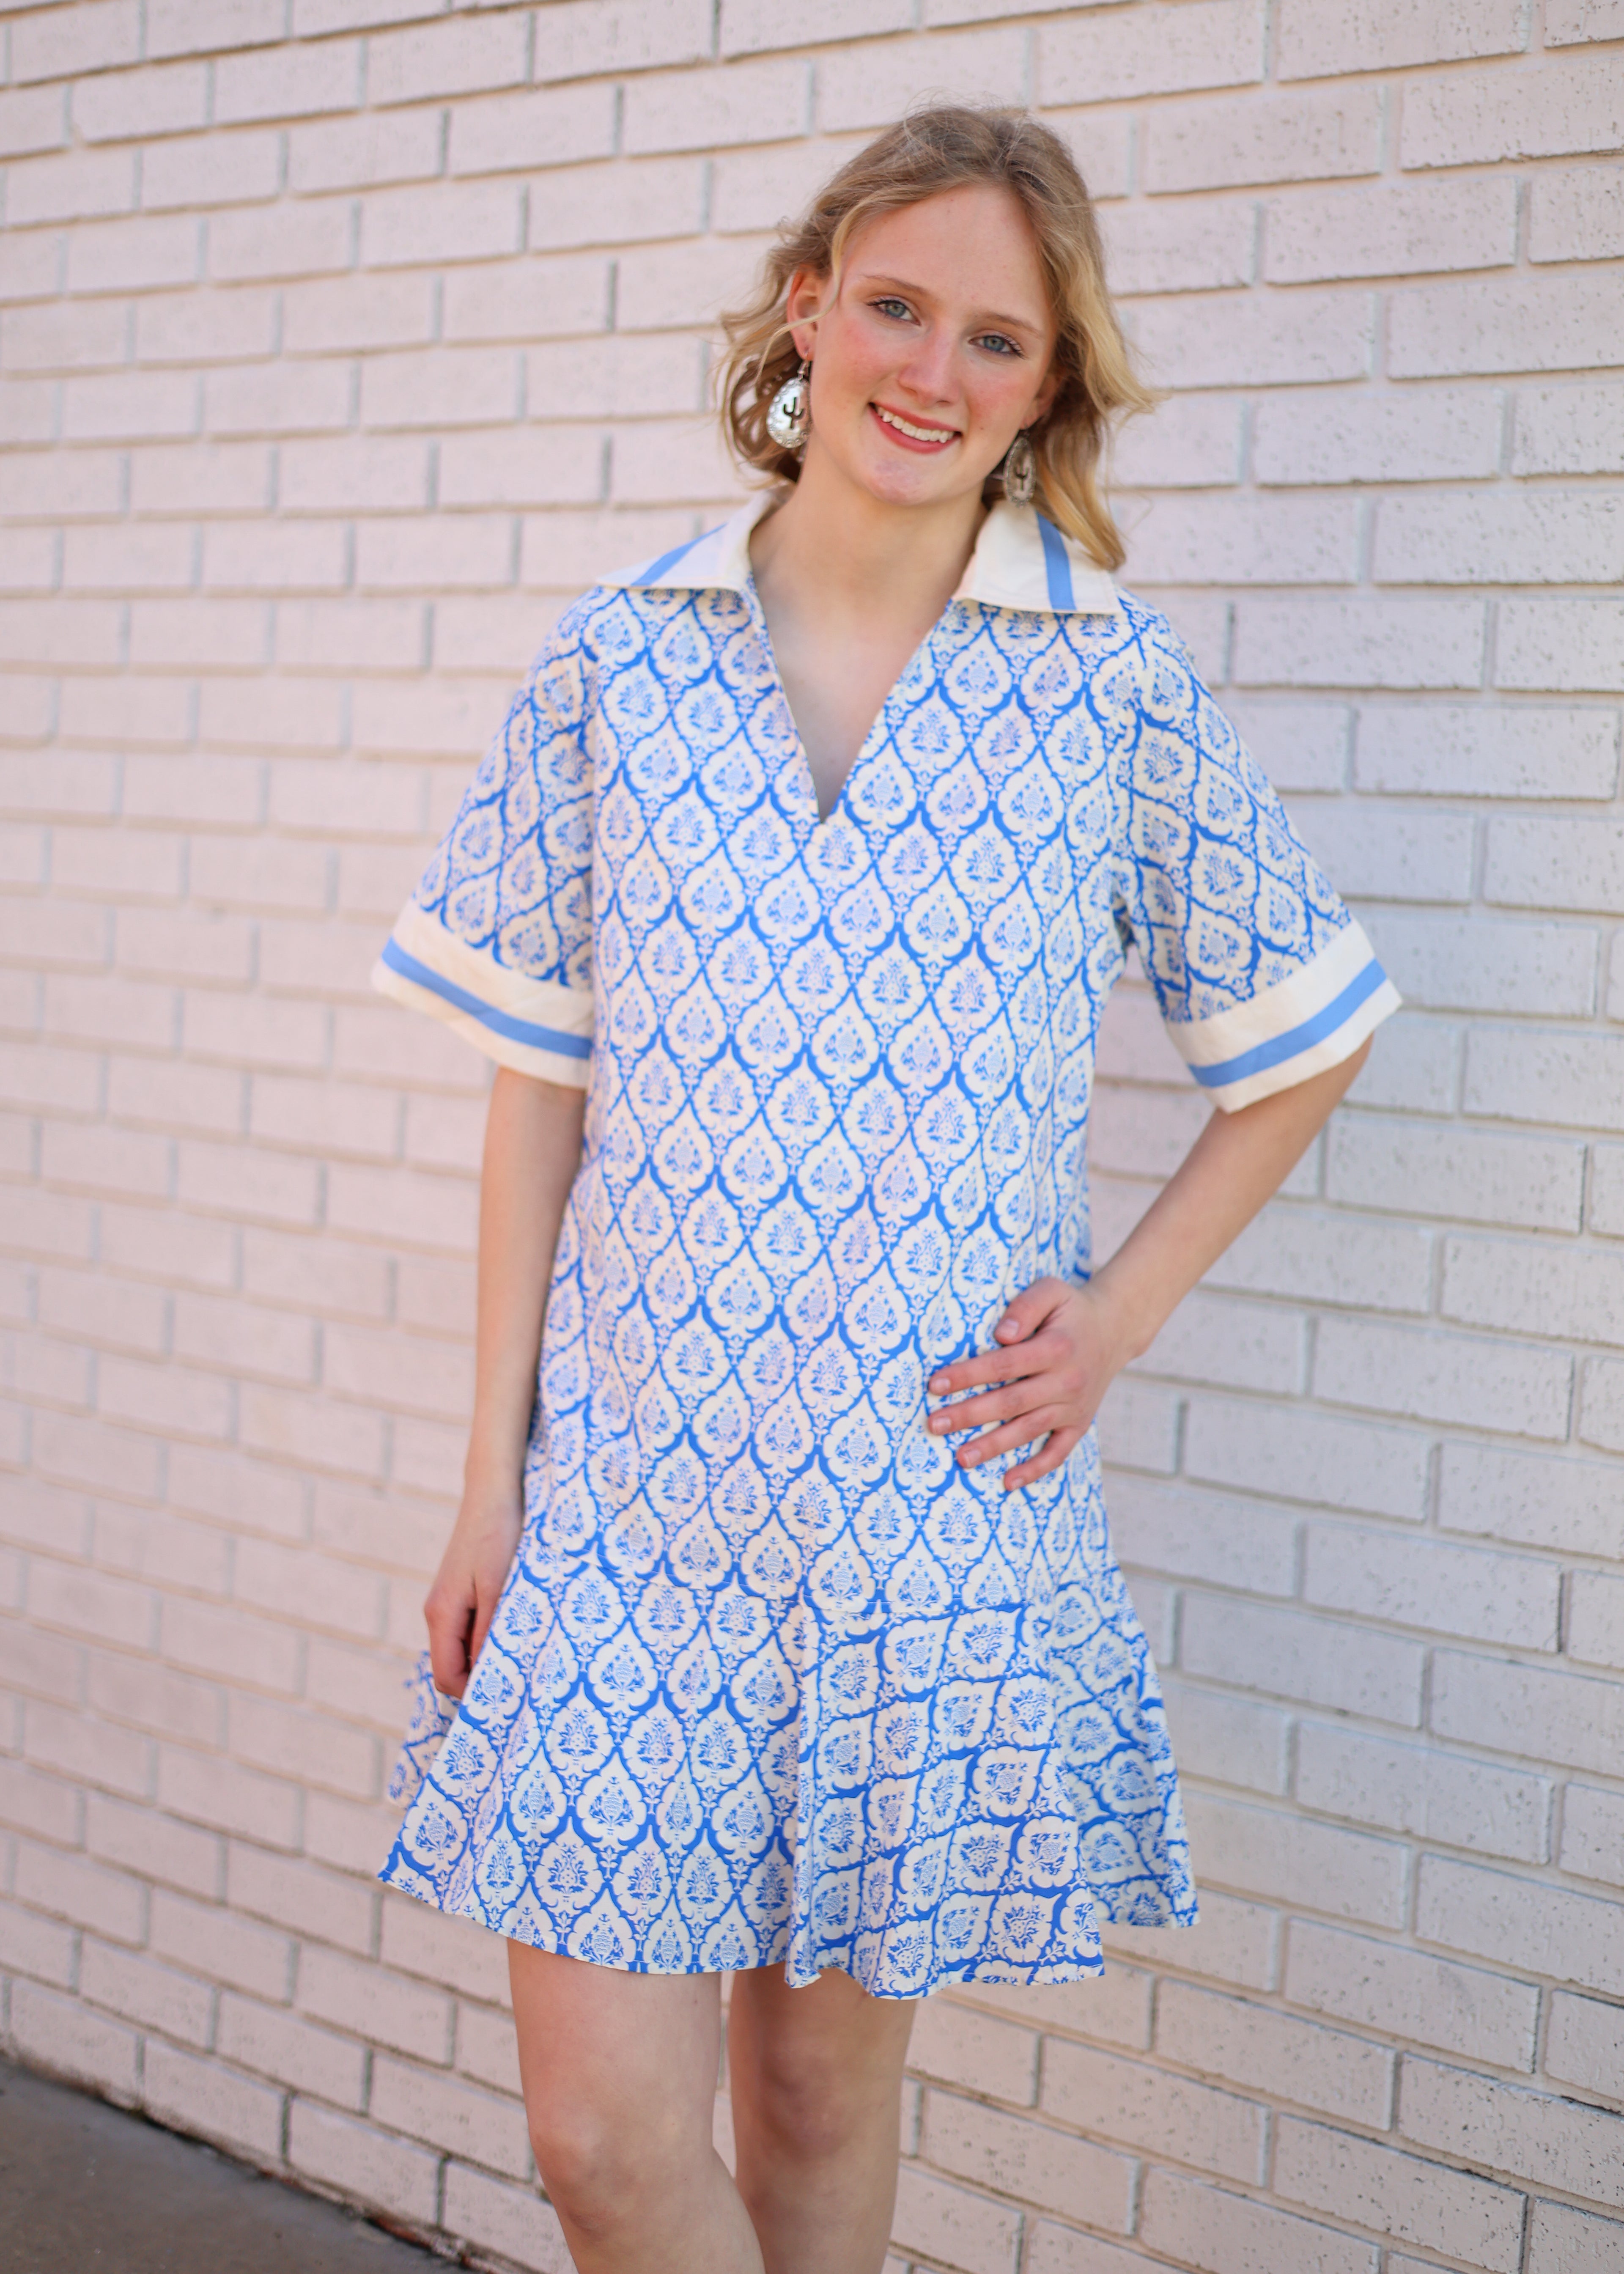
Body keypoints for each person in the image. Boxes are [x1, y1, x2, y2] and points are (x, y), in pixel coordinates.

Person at [371, 105, 1398, 2274]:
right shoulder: (618, 661)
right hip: (630, 1508)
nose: (932, 370)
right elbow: (535, 1091)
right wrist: (491, 1483)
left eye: (999, 339)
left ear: (1053, 386)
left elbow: (1308, 1039)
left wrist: (1115, 1318)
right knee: (598, 2138)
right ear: (811, 311)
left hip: (925, 1512)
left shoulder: (1113, 692)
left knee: (823, 2104)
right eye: (900, 306)